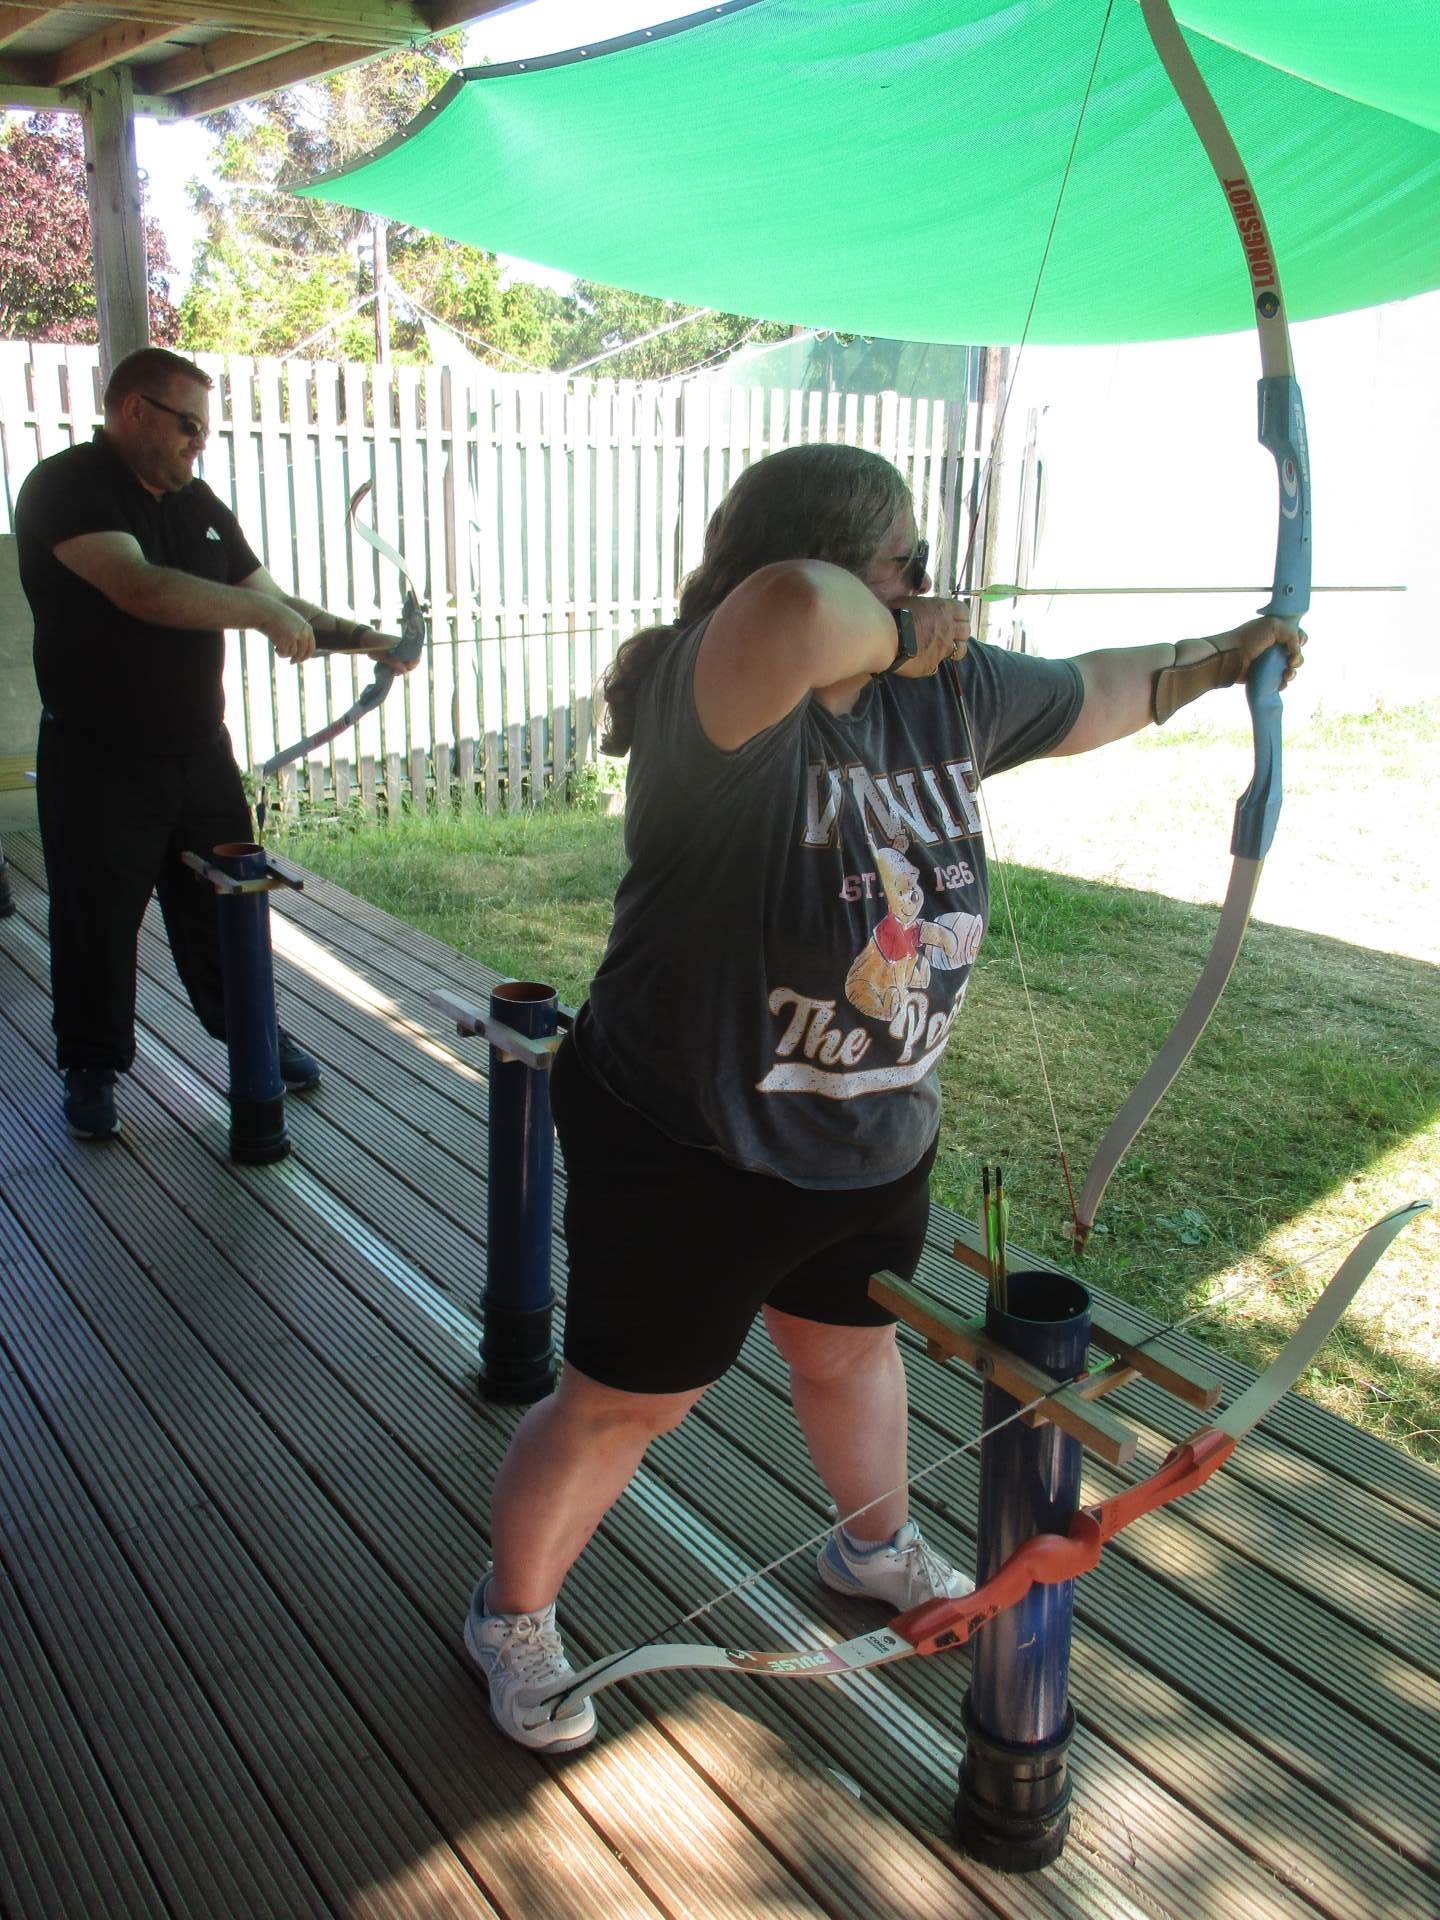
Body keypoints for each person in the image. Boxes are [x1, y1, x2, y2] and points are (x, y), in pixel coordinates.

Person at [461, 442, 1305, 1753]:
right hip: (692, 1135)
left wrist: (1217, 660)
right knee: (629, 1400)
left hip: (872, 1129)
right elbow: (798, 608)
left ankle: (871, 1545)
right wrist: (904, 628)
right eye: (907, 558)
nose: (927, 582)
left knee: (848, 1347)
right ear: (846, 563)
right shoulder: (726, 683)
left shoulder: (944, 689)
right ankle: (510, 1616)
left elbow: (1092, 690)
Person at [14, 346, 412, 1140]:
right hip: (99, 759)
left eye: (204, 428)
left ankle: (251, 1036)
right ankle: (91, 1064)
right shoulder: (68, 485)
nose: (201, 442)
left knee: (228, 907)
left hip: (199, 754)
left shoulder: (196, 501)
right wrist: (264, 616)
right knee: (97, 919)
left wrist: (373, 641)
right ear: (134, 411)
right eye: (188, 425)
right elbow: (141, 588)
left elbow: (273, 599)